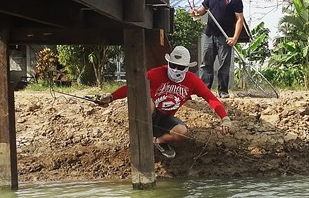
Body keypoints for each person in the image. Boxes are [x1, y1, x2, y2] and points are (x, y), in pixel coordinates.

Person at [98, 46, 233, 159]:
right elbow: (133, 86)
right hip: (149, 115)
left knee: (181, 131)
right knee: (147, 102)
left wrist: (224, 118)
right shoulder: (155, 73)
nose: (175, 69)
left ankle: (158, 141)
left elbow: (211, 98)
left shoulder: (193, 81)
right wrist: (111, 97)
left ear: (186, 68)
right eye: (172, 65)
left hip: (166, 118)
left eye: (180, 67)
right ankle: (143, 136)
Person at [189, 0, 244, 99]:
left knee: (224, 65)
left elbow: (239, 19)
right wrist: (196, 12)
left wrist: (235, 38)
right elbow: (203, 9)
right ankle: (204, 90)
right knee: (206, 63)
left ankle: (223, 91)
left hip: (225, 36)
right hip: (209, 34)